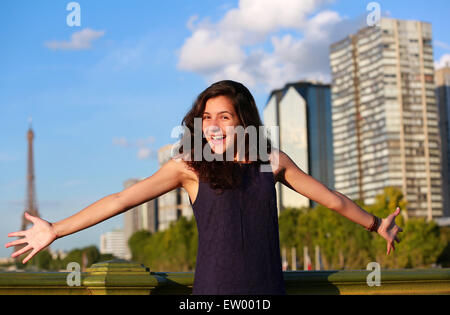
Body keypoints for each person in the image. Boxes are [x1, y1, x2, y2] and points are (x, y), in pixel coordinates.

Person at [5, 80, 403, 295]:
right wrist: (55, 230)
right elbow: (121, 200)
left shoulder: (272, 160)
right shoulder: (188, 167)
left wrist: (375, 225)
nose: (213, 124)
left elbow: (330, 199)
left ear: (243, 120)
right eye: (206, 116)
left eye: (224, 115)